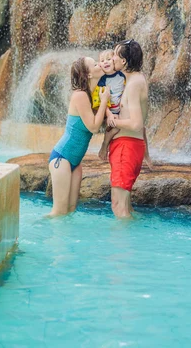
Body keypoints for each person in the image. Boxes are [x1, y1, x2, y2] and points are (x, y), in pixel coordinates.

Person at [48, 56, 110, 217]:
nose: (99, 64)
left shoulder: (93, 94)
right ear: (88, 74)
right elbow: (94, 127)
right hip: (62, 158)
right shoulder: (80, 95)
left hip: (75, 162)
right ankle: (36, 234)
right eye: (95, 64)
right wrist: (104, 101)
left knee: (70, 211)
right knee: (59, 212)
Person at [105, 39, 152, 218]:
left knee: (118, 206)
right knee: (126, 206)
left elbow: (136, 123)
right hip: (130, 146)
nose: (112, 57)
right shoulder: (135, 79)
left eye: (116, 54)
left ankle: (122, 245)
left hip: (127, 147)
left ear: (124, 61)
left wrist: (112, 122)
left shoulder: (133, 85)